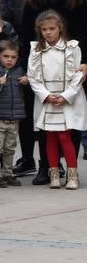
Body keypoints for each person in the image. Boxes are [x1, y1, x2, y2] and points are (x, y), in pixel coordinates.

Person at [17, 0, 87, 183]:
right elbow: (26, 36)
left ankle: (71, 166)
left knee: (71, 119)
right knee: (44, 119)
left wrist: (84, 60)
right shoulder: (32, 1)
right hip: (43, 65)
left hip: (71, 64)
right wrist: (29, 67)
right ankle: (47, 166)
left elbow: (85, 32)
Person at [28, 10, 86, 189]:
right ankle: (53, 173)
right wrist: (46, 95)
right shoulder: (36, 49)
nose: (48, 32)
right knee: (49, 136)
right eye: (44, 29)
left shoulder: (72, 47)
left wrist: (66, 95)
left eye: (52, 28)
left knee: (65, 135)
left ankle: (72, 174)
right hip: (48, 99)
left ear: (60, 28)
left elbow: (79, 74)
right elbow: (33, 76)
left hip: (68, 99)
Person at [0, 40, 27, 187]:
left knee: (10, 148)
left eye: (13, 57)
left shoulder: (19, 72)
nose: (10, 60)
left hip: (14, 118)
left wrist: (27, 81)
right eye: (6, 56)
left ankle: (7, 174)